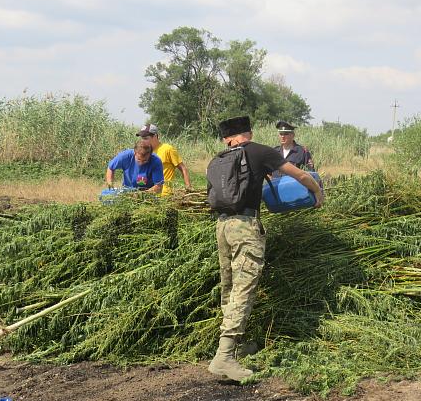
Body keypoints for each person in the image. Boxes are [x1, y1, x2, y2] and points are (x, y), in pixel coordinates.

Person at [207, 116, 323, 382]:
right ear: (249, 132)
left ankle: (235, 346)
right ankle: (224, 357)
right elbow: (300, 174)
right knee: (243, 288)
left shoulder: (218, 159)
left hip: (222, 227)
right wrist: (317, 192)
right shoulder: (259, 151)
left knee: (229, 286)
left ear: (227, 139)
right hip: (246, 227)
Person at [136, 123, 192, 195]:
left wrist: (188, 187)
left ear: (155, 136)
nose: (143, 141)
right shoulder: (143, 152)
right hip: (148, 195)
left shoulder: (167, 149)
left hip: (164, 195)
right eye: (142, 138)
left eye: (146, 138)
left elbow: (182, 168)